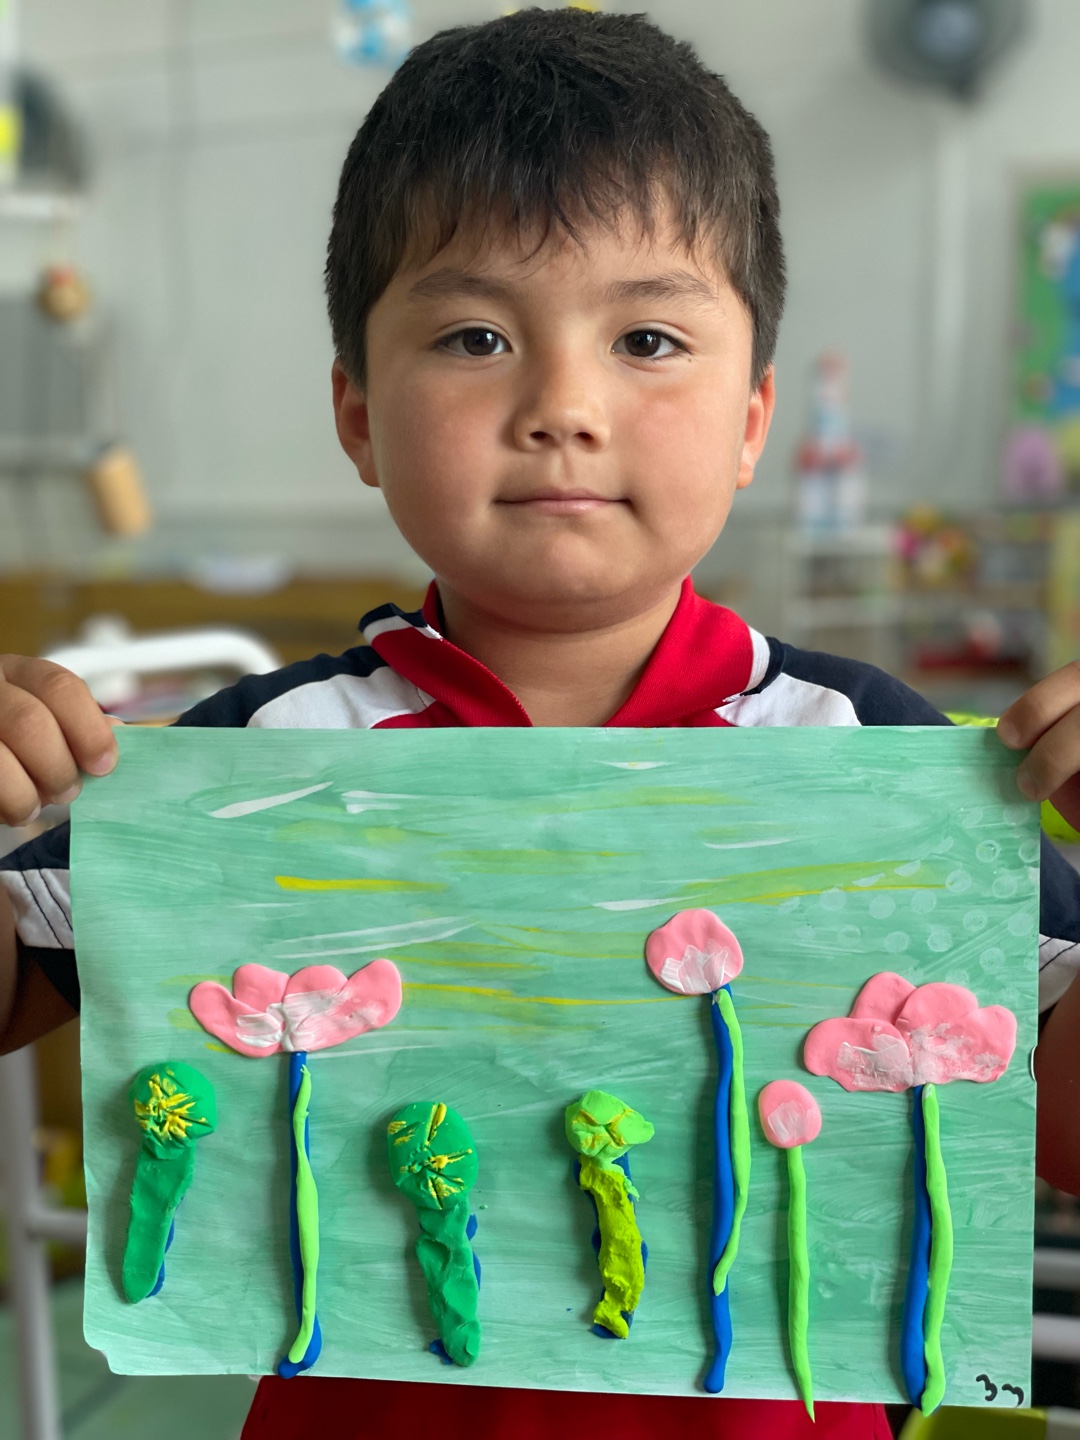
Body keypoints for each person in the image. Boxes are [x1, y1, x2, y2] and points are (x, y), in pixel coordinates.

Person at [1, 10, 1079, 1439]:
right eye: (476, 336)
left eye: (647, 338)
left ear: (753, 419)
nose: (563, 405)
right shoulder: (253, 758)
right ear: (358, 413)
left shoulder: (870, 758)